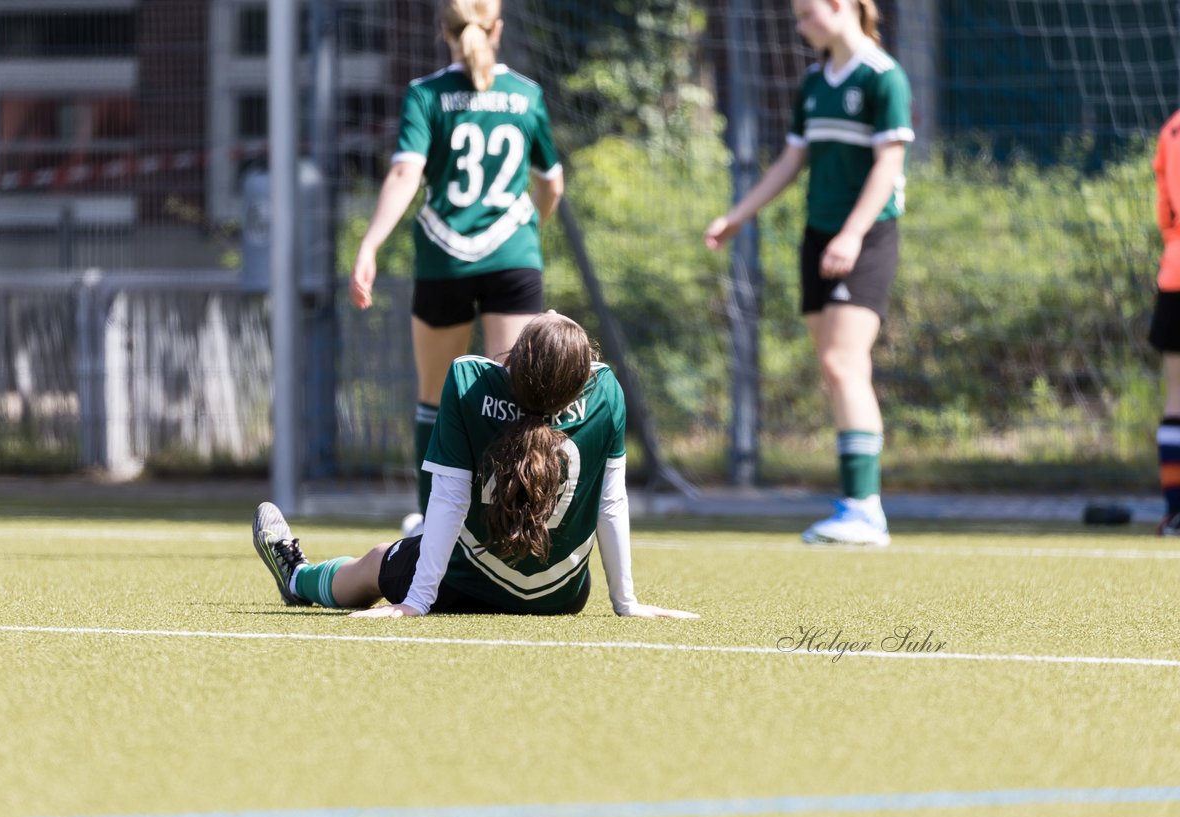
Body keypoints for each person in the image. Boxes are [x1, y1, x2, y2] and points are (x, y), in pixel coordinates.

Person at [252, 313, 698, 619]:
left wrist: (418, 601)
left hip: (462, 583)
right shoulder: (606, 392)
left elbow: (448, 496)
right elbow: (611, 503)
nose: (553, 308)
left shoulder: (469, 379)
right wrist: (626, 600)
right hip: (561, 596)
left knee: (374, 562)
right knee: (426, 537)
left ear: (515, 364)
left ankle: (297, 578)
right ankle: (417, 542)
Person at [349, 0, 564, 538]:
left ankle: (430, 522)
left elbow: (404, 175)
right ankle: (514, 520)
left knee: (433, 394)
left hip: (443, 255)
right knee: (519, 395)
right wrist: (528, 226)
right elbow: (552, 183)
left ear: (444, 32)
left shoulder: (426, 94)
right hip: (512, 257)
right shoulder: (527, 95)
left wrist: (370, 244)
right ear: (498, 28)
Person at [703, 0, 912, 546]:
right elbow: (792, 161)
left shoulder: (884, 78)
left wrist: (851, 234)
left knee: (846, 362)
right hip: (818, 236)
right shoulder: (816, 81)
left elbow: (889, 166)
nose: (798, 26)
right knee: (833, 364)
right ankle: (855, 502)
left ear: (840, 7)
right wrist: (737, 216)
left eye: (804, 14)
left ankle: (865, 509)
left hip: (865, 236)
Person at [1150, 110, 1180, 535]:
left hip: (1176, 272)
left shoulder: (1172, 127)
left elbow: (1164, 208)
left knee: (1177, 398)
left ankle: (1175, 511)